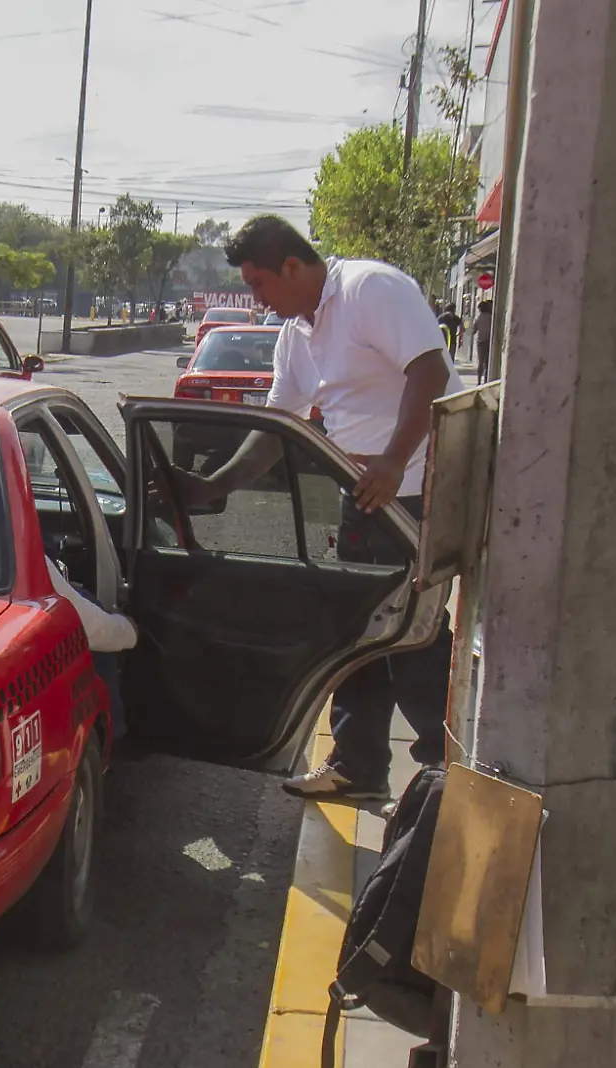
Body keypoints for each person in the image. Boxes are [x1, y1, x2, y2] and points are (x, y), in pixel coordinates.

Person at [177, 214, 462, 802]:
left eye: (258, 284)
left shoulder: (369, 290)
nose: (256, 298)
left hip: (417, 487)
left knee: (413, 632)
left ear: (291, 266)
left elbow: (430, 371)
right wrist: (216, 486)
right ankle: (359, 767)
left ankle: (450, 774)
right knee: (355, 628)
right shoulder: (295, 335)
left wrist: (391, 459)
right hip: (362, 493)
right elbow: (279, 425)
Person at [46, 555, 137, 739]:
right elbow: (90, 627)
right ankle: (112, 732)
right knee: (90, 603)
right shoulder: (21, 551)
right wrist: (130, 630)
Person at [473, 297, 494, 378]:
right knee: (487, 362)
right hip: (488, 341)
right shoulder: (490, 317)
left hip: (480, 342)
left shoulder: (478, 317)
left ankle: (479, 380)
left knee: (480, 362)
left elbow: (474, 330)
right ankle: (486, 379)